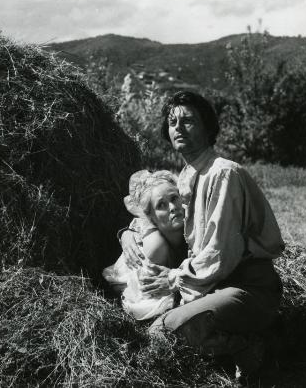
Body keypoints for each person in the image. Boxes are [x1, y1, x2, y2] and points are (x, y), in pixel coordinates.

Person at [119, 90, 284, 379]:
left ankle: (252, 344)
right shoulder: (186, 176)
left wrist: (173, 279)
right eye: (172, 122)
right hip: (212, 286)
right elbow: (162, 218)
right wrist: (128, 233)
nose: (178, 128)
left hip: (245, 287)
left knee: (165, 332)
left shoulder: (223, 174)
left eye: (188, 121)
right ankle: (226, 343)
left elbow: (221, 253)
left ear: (208, 127)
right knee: (161, 329)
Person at [103, 170, 187, 320]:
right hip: (131, 288)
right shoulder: (156, 246)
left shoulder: (191, 226)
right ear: (151, 217)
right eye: (161, 205)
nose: (173, 207)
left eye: (174, 198)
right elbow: (144, 306)